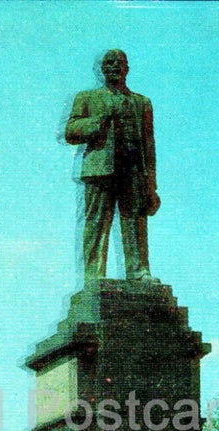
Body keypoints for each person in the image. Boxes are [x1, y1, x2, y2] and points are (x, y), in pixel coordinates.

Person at [65, 49, 161, 284]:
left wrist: (151, 187)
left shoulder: (142, 103)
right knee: (97, 222)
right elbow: (71, 131)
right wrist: (97, 122)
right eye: (108, 63)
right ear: (101, 69)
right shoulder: (87, 97)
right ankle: (94, 275)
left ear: (127, 68)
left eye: (119, 63)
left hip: (133, 171)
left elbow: (149, 146)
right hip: (100, 169)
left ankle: (139, 271)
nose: (114, 67)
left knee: (135, 222)